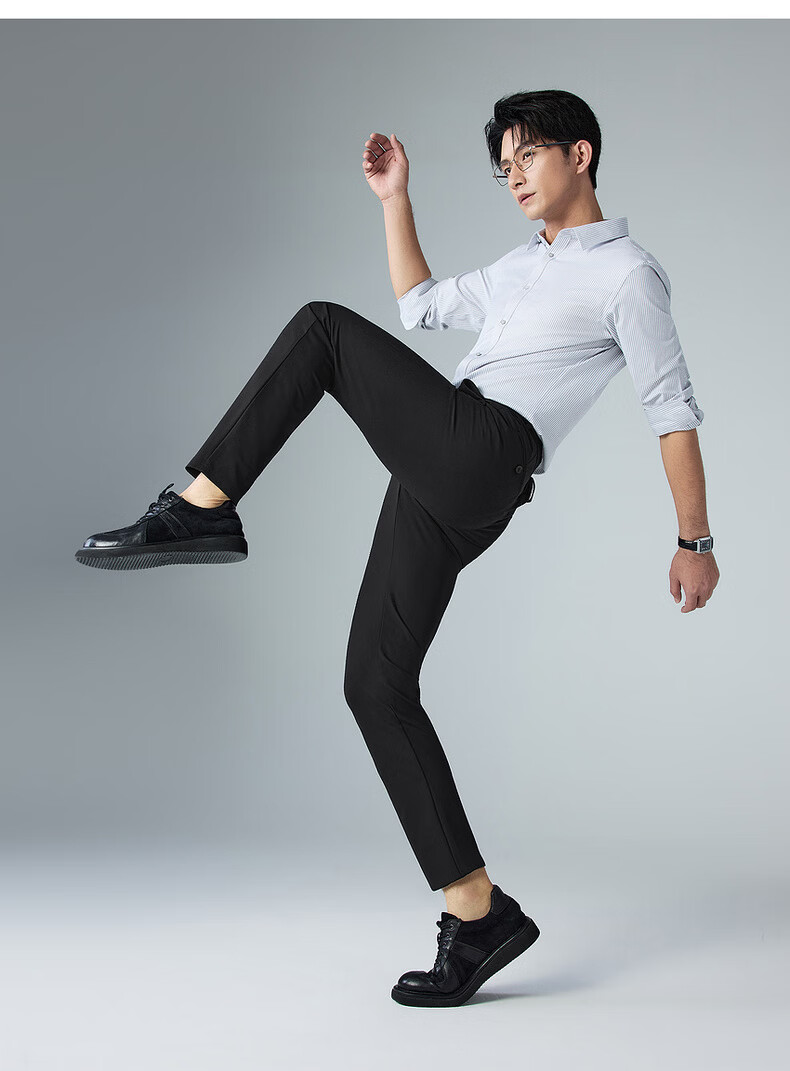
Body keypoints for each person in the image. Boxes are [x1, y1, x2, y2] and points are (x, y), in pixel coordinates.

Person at [74, 89, 719, 1008]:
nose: (514, 178)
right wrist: (394, 200)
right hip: (445, 468)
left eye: (528, 158)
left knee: (323, 330)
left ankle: (201, 505)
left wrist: (693, 538)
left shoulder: (628, 275)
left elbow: (672, 410)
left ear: (579, 154)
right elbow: (419, 307)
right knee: (373, 685)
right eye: (503, 167)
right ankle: (477, 911)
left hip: (486, 450)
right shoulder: (521, 265)